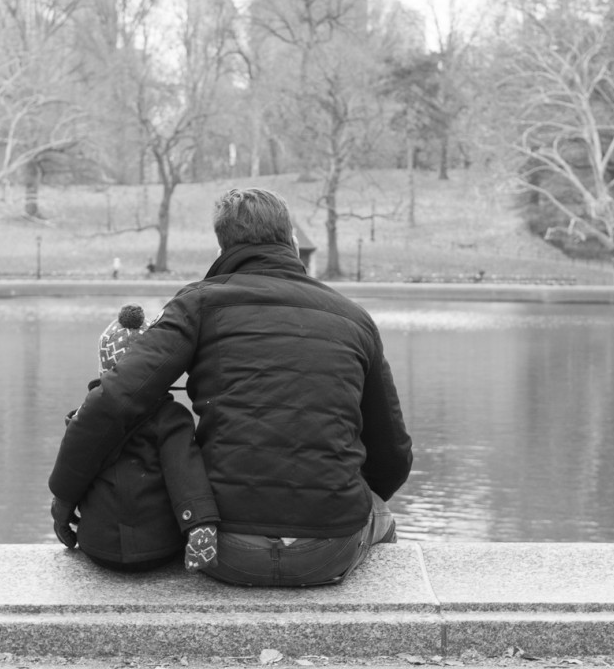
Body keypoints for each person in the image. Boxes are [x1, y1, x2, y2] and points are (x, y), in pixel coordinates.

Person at [50, 188, 412, 586]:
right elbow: (393, 454)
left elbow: (114, 399)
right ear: (290, 239)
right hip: (328, 550)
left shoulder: (199, 305)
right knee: (379, 513)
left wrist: (65, 495)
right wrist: (331, 499)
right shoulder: (354, 319)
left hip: (223, 549)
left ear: (223, 244)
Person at [51, 303, 219, 573]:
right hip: (160, 546)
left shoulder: (87, 415)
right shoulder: (171, 417)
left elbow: (74, 469)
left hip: (98, 545)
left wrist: (61, 511)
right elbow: (185, 473)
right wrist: (200, 523)